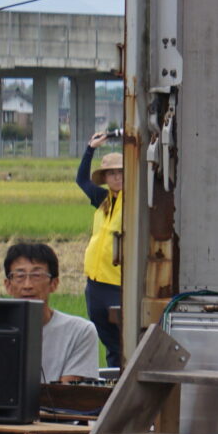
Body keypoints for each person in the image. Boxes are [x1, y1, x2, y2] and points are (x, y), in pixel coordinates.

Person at [3, 242, 102, 383]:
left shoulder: (80, 331)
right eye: (20, 276)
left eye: (36, 275)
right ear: (8, 285)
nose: (28, 285)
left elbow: (65, 395)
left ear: (54, 283)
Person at [73, 133, 125, 364]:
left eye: (121, 172)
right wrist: (89, 149)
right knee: (106, 339)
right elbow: (82, 180)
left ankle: (120, 381)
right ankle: (113, 381)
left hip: (117, 283)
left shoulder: (135, 199)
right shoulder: (103, 198)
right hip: (94, 284)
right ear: (105, 177)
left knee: (121, 341)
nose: (117, 177)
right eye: (112, 173)